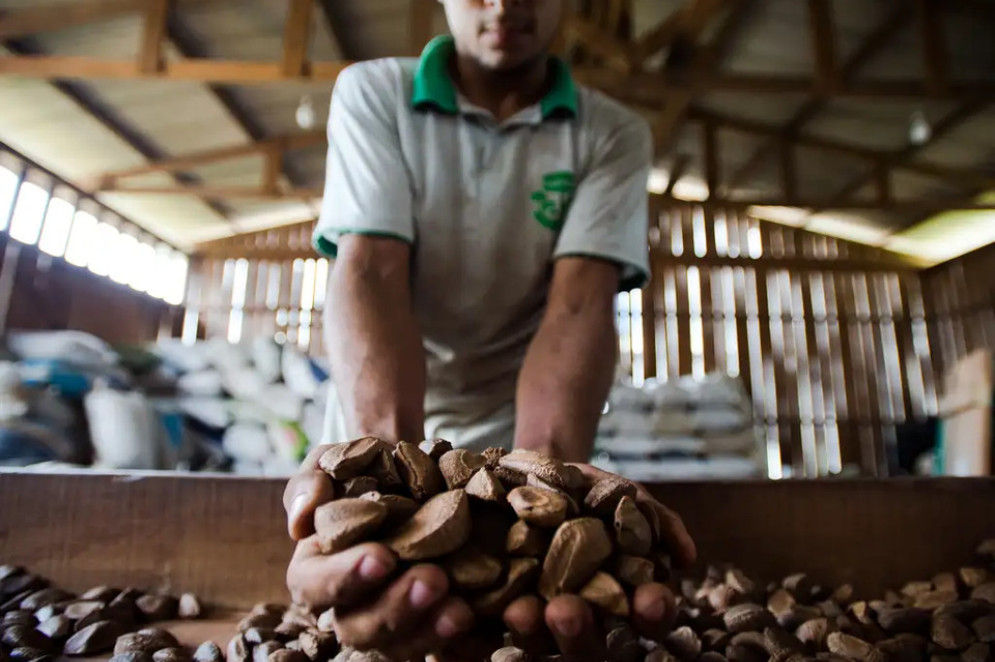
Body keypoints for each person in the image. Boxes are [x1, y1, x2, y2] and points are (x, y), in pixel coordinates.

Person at [284, 0, 696, 660]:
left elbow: (577, 306)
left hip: (523, 418)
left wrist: (546, 490)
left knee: (528, 624)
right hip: (381, 411)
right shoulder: (375, 93)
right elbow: (372, 273)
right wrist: (391, 482)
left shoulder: (609, 132)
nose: (503, 5)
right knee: (372, 617)